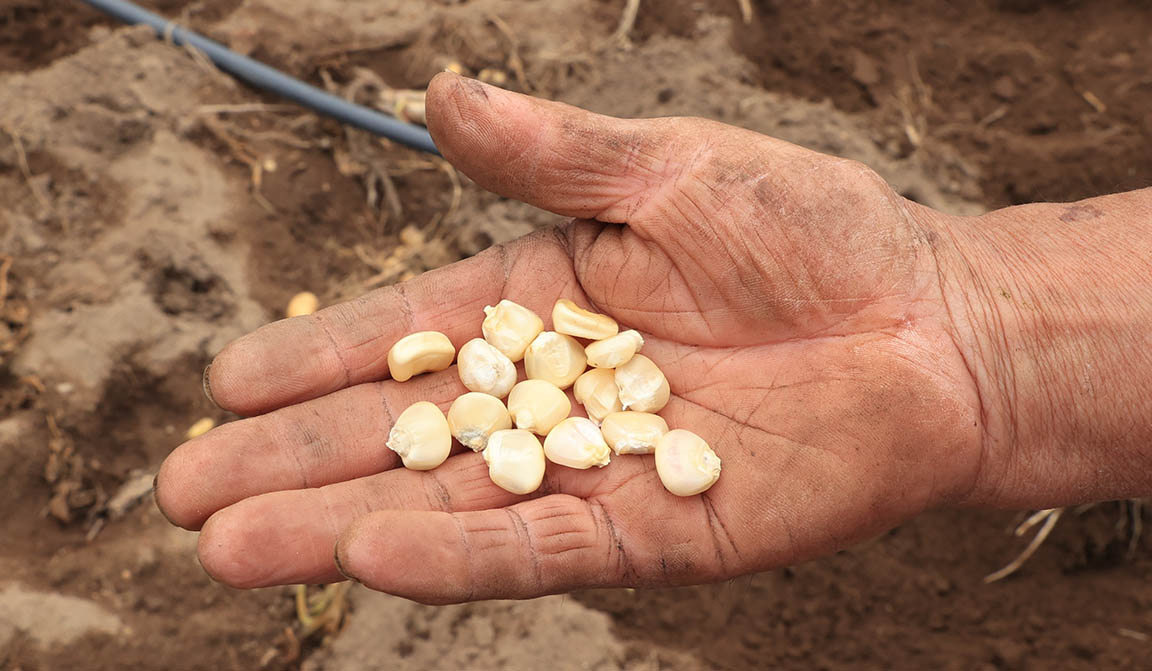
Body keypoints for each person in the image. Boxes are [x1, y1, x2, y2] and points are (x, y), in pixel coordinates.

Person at [153, 72, 1152, 604]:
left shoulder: (575, 391)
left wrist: (971, 332)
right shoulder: (552, 388)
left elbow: (563, 398)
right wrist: (974, 332)